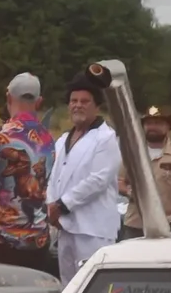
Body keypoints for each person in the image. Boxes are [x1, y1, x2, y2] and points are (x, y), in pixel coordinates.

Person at [0, 72, 54, 273]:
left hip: (0, 242)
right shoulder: (49, 139)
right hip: (37, 241)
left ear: (8, 98)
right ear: (39, 102)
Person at [45, 73, 120, 282]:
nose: (78, 105)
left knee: (92, 286)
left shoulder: (106, 138)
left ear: (96, 106)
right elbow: (53, 178)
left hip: (93, 229)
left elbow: (98, 180)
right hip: (66, 227)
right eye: (73, 101)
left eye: (84, 101)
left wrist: (61, 205)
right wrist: (51, 206)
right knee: (68, 289)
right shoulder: (62, 140)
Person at [120, 105, 171, 236]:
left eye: (158, 123)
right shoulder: (133, 154)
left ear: (168, 127)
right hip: (134, 223)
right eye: (149, 123)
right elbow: (119, 181)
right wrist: (129, 192)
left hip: (167, 225)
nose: (152, 127)